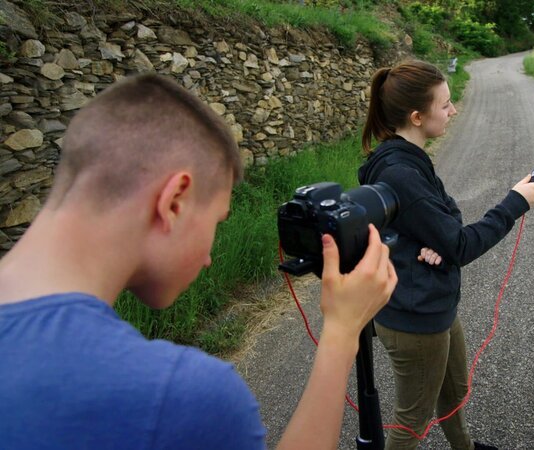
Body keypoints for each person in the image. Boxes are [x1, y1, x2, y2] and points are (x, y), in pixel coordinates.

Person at [0, 74, 397, 449]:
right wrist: (342, 332)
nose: (208, 258)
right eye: (215, 222)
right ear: (175, 202)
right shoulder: (177, 395)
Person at [359, 60, 534, 450]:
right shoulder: (400, 173)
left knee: (454, 390)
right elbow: (460, 244)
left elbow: (448, 217)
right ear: (416, 116)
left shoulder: (410, 158)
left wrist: (436, 243)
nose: (454, 110)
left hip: (433, 302)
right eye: (445, 105)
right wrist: (514, 203)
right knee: (412, 419)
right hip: (414, 316)